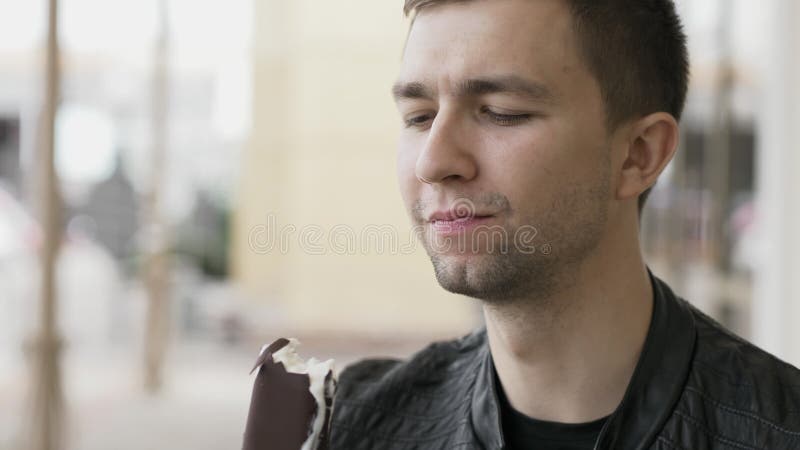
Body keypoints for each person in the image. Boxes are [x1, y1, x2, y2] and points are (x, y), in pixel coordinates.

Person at [329, 1, 800, 449]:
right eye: (419, 117)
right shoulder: (349, 425)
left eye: (501, 112)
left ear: (639, 154)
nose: (433, 162)